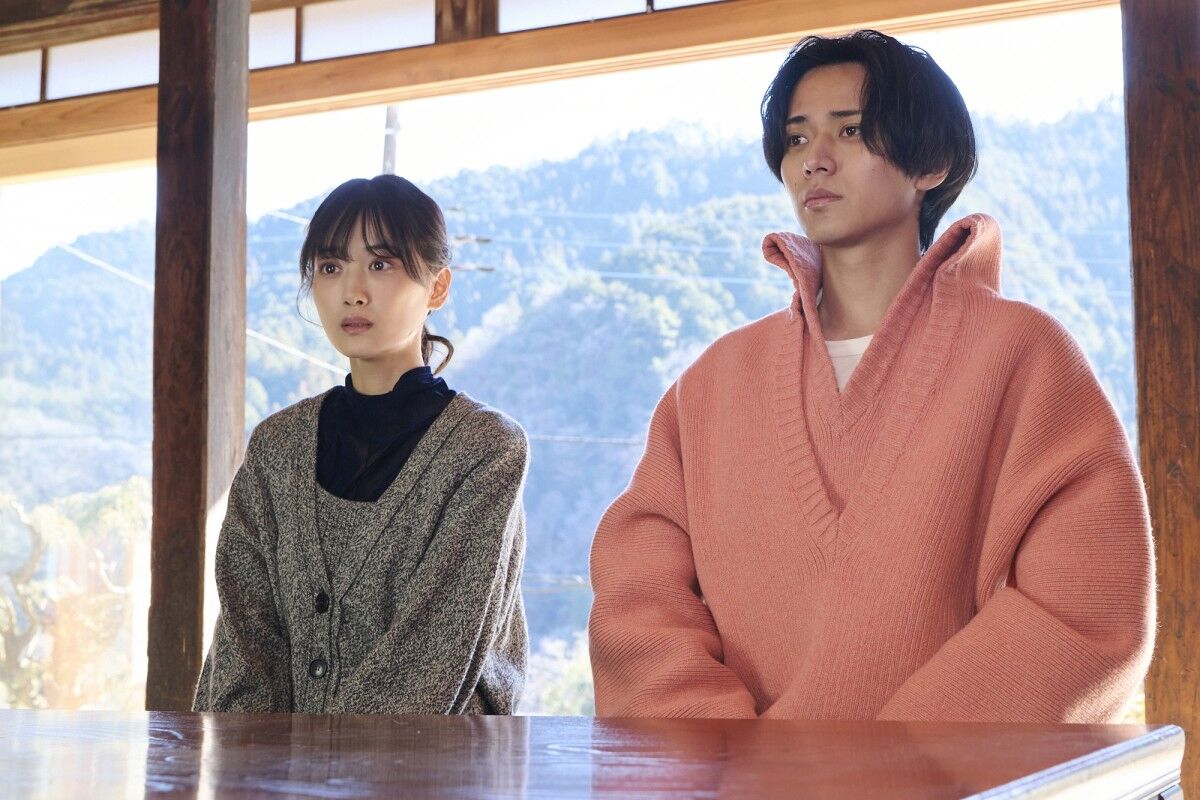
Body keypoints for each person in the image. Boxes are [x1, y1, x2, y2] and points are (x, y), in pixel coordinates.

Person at [588, 30, 1153, 722]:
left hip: (952, 777)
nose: (814, 160)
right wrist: (726, 751)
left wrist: (902, 759)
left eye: (849, 131)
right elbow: (639, 596)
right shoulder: (712, 384)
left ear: (931, 164)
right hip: (745, 774)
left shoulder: (1025, 357)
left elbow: (1086, 605)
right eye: (796, 139)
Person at [194, 175, 528, 715]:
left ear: (438, 287)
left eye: (380, 264)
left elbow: (431, 662)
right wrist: (248, 756)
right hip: (273, 765)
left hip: (436, 762)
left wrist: (326, 760)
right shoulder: (277, 448)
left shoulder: (485, 451)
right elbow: (242, 648)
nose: (353, 290)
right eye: (331, 267)